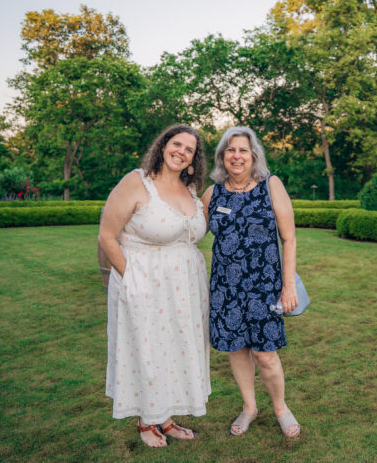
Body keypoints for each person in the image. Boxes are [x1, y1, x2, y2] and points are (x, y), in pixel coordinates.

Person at [99, 124, 210, 448]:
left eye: (189, 150)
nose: (182, 152)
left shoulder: (190, 189)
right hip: (144, 284)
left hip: (184, 290)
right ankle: (146, 421)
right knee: (146, 351)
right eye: (177, 144)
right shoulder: (136, 182)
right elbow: (106, 236)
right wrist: (130, 277)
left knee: (175, 351)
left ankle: (166, 418)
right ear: (163, 146)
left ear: (193, 159)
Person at [201, 126, 301, 438]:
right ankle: (249, 407)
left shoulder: (271, 185)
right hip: (226, 289)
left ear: (253, 155)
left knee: (265, 354)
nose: (237, 156)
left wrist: (288, 286)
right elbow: (187, 232)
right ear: (222, 157)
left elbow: (289, 238)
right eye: (231, 150)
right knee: (238, 350)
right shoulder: (212, 193)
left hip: (264, 288)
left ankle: (281, 408)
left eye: (243, 150)